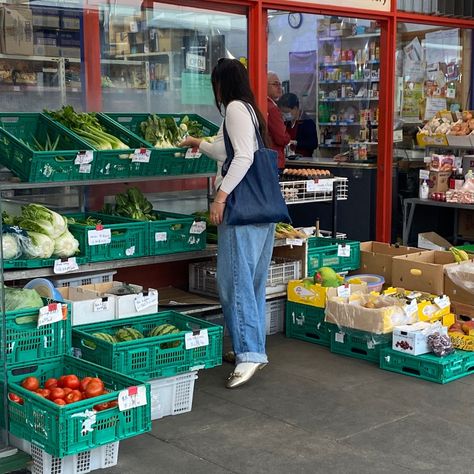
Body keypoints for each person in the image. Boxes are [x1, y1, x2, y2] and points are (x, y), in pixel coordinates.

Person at [179, 58, 275, 389]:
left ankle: (249, 353)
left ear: (220, 83)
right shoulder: (247, 109)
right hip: (262, 210)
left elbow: (243, 158)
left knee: (234, 282)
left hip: (241, 210)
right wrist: (198, 144)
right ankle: (253, 348)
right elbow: (226, 150)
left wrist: (219, 198)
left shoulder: (234, 108)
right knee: (252, 282)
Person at [278, 92, 318, 157]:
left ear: (295, 108)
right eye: (283, 112)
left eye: (287, 112)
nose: (285, 115)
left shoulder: (307, 122)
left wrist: (296, 143)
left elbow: (313, 144)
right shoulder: (286, 123)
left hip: (303, 160)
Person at [267, 71, 290, 169]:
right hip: (275, 160)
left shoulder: (261, 104)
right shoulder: (272, 108)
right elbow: (281, 138)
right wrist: (288, 138)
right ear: (264, 85)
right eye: (275, 84)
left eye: (280, 84)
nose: (279, 87)